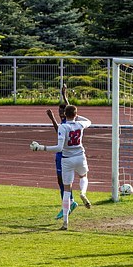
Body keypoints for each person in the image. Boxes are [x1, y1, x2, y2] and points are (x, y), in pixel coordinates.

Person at [29, 104, 92, 230]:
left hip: (67, 159)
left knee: (67, 190)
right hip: (80, 156)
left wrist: (41, 148)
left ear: (64, 115)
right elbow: (89, 121)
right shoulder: (80, 124)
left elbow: (59, 148)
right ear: (75, 114)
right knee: (83, 176)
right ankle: (83, 193)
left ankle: (65, 222)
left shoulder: (63, 127)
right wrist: (77, 116)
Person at [46, 83, 77, 220]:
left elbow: (57, 129)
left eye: (61, 112)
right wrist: (63, 95)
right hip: (60, 154)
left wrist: (52, 118)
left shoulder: (68, 123)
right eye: (58, 112)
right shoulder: (64, 122)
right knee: (60, 180)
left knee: (64, 180)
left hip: (65, 154)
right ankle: (70, 202)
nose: (60, 113)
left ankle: (68, 205)